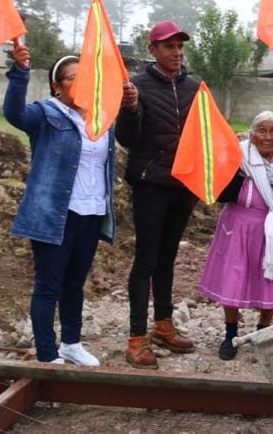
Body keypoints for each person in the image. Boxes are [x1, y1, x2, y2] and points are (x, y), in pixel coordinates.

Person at [3, 40, 135, 365]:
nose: (80, 83)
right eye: (72, 77)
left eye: (84, 76)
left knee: (75, 284)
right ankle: (48, 354)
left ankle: (71, 344)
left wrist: (131, 104)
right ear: (56, 86)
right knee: (49, 286)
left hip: (91, 213)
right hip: (54, 215)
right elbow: (14, 114)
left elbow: (128, 136)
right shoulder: (46, 114)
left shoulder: (102, 119)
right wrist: (19, 72)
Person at [116, 20, 200, 369]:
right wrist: (131, 109)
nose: (177, 52)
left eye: (180, 46)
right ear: (153, 50)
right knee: (146, 260)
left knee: (167, 259)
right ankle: (137, 338)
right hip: (151, 184)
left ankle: (163, 324)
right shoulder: (136, 87)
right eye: (169, 46)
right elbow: (127, 138)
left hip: (184, 186)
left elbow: (206, 138)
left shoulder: (196, 89)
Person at [198, 111, 273, 360]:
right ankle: (230, 335)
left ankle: (264, 332)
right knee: (233, 277)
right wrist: (238, 172)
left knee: (270, 279)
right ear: (252, 134)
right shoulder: (238, 156)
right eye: (262, 131)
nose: (267, 137)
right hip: (238, 225)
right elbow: (221, 194)